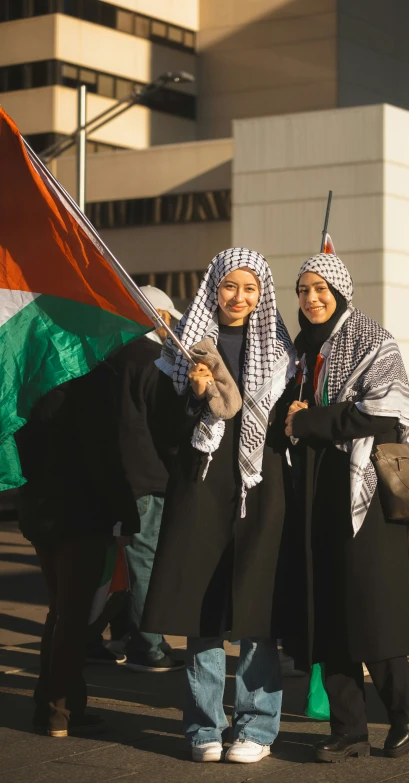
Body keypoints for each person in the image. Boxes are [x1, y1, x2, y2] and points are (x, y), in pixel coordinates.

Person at [142, 248, 297, 764]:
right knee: (200, 611)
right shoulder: (183, 346)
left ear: (262, 294)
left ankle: (257, 727)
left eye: (250, 288)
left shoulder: (280, 347)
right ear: (213, 286)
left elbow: (288, 423)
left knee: (257, 609)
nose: (239, 297)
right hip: (201, 488)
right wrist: (191, 395)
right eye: (230, 285)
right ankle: (204, 727)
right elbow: (161, 431)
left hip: (262, 486)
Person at [285, 253, 409, 762]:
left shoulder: (374, 339)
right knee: (326, 610)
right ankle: (348, 727)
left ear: (342, 290)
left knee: (368, 607)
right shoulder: (299, 350)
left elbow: (385, 414)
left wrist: (312, 421)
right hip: (314, 493)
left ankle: (408, 706)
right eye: (303, 290)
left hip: (363, 496)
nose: (312, 298)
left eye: (321, 288)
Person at [15, 367, 140, 738]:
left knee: (60, 611)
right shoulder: (92, 380)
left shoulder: (30, 377)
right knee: (73, 616)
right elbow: (104, 453)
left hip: (41, 509)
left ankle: (53, 705)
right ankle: (59, 709)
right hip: (82, 512)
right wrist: (125, 513)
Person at [100, 285, 185, 672]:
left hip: (122, 475)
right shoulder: (152, 360)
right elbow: (165, 426)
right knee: (144, 562)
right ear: (160, 317)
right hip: (149, 477)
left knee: (127, 562)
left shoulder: (113, 357)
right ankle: (147, 646)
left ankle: (133, 636)